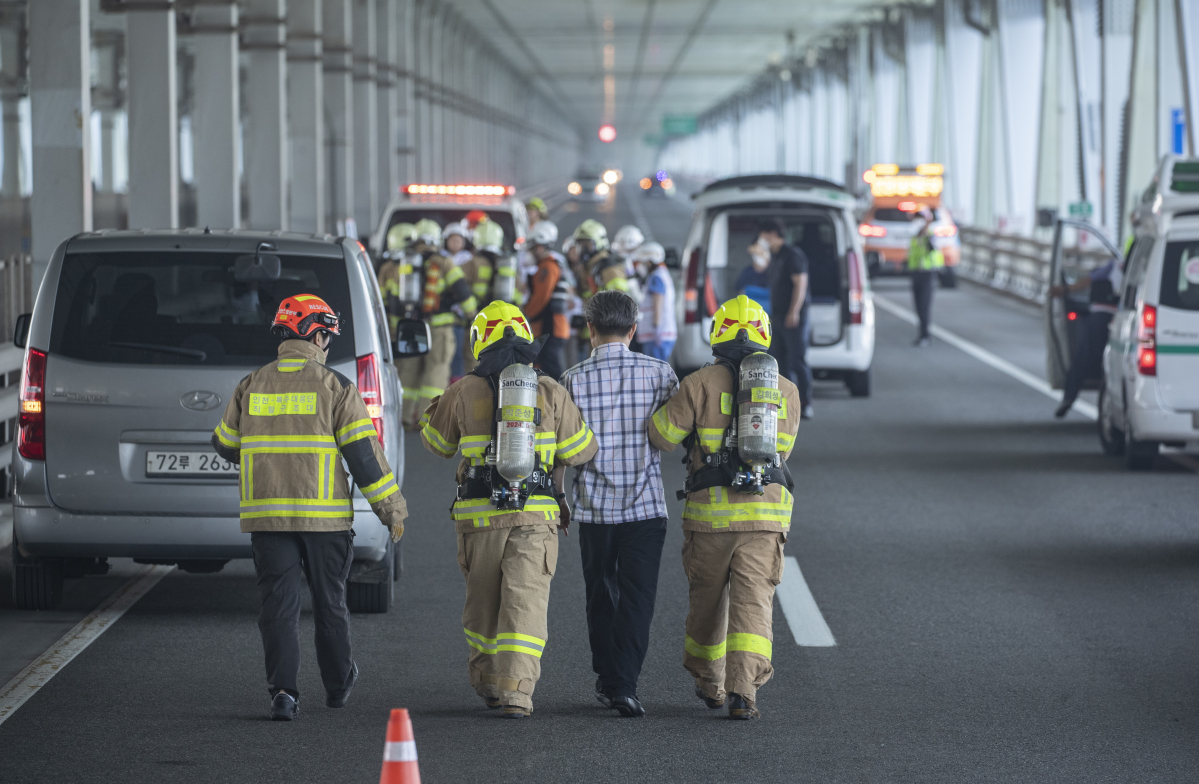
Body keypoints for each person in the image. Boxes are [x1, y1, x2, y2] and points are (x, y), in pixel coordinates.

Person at [211, 294, 408, 722]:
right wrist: (392, 510)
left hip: (268, 518)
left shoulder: (251, 383)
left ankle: (283, 693)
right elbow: (364, 458)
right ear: (314, 334)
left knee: (277, 606)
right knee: (329, 603)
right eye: (326, 337)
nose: (327, 345)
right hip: (324, 520)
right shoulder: (335, 387)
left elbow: (225, 444)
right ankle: (338, 686)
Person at [420, 301, 597, 718]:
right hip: (535, 516)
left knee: (482, 602)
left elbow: (437, 444)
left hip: (478, 520)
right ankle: (518, 690)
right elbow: (581, 450)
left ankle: (487, 682)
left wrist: (442, 407)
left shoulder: (463, 389)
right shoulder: (549, 389)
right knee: (526, 599)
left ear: (480, 342)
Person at [647, 295, 801, 720]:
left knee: (708, 601)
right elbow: (782, 450)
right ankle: (744, 692)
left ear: (717, 334)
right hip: (765, 517)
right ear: (764, 335)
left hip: (710, 519)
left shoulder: (698, 383)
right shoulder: (786, 390)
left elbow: (661, 436)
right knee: (754, 601)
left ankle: (710, 682)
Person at [560, 291, 679, 718]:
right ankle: (624, 684)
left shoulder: (571, 379)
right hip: (646, 507)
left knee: (600, 595)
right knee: (637, 597)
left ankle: (609, 678)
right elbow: (671, 434)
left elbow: (564, 449)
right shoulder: (661, 373)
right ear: (633, 330)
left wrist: (559, 497)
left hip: (594, 508)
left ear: (589, 329)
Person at [396, 218, 476, 429]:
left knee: (409, 372)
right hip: (439, 328)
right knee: (436, 371)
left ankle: (403, 417)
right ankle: (427, 419)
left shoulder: (406, 262)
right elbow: (463, 292)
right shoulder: (443, 262)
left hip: (412, 327)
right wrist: (472, 316)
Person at [1050, 254, 1123, 418]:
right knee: (1116, 365)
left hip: (1102, 315)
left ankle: (1069, 397)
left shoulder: (1116, 265)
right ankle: (1113, 408)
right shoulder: (1147, 265)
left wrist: (1065, 290)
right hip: (1126, 319)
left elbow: (1089, 280)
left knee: (1083, 357)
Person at [761, 219, 813, 419]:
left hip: (792, 317)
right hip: (778, 315)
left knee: (797, 360)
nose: (763, 239)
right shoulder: (775, 256)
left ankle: (806, 403)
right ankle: (786, 403)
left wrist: (794, 311)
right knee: (779, 360)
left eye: (764, 235)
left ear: (773, 234)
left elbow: (801, 284)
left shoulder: (792, 255)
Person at [523, 220, 571, 380]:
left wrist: (524, 314)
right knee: (544, 370)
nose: (529, 253)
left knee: (552, 372)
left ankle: (563, 402)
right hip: (549, 327)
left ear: (539, 247)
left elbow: (541, 298)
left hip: (551, 328)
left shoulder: (547, 268)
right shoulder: (546, 266)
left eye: (531, 248)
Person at [632, 242, 677, 362]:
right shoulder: (661, 275)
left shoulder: (656, 277)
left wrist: (656, 327)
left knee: (654, 374)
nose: (639, 266)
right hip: (660, 334)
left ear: (649, 262)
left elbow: (658, 303)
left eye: (641, 262)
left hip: (656, 335)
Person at [908, 209, 944, 347]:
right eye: (916, 218)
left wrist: (927, 235)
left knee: (924, 306)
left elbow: (935, 249)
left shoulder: (931, 235)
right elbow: (912, 254)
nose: (917, 221)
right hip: (915, 273)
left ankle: (925, 335)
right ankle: (921, 334)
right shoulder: (914, 236)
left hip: (928, 274)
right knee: (917, 306)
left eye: (920, 219)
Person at [735, 243, 772, 315]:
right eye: (757, 255)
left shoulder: (772, 272)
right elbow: (740, 290)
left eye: (761, 254)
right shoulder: (747, 271)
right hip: (750, 313)